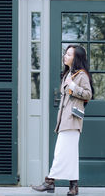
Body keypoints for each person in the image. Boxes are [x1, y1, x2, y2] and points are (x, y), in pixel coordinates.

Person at [32, 45, 93, 195]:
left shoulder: (81, 75)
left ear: (76, 58)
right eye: (65, 54)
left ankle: (49, 181)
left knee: (60, 152)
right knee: (70, 154)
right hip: (64, 120)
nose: (65, 56)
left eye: (69, 54)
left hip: (72, 119)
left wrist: (73, 86)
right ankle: (73, 187)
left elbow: (88, 94)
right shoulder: (68, 74)